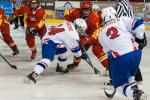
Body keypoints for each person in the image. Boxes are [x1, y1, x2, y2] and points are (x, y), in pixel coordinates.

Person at [99, 7, 147, 99]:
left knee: (119, 86)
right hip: (136, 53)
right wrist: (140, 39)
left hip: (121, 57)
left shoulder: (101, 33)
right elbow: (139, 24)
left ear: (103, 18)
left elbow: (108, 52)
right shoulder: (122, 19)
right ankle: (135, 89)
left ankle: (136, 94)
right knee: (130, 77)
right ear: (115, 14)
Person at [23, 18, 87, 84]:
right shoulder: (73, 35)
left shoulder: (69, 22)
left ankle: (59, 67)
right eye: (81, 29)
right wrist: (81, 55)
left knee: (64, 54)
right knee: (47, 59)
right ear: (77, 26)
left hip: (55, 38)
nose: (82, 32)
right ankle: (33, 74)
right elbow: (76, 51)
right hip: (49, 41)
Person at [64, 0, 109, 73]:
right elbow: (66, 13)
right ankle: (75, 64)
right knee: (79, 50)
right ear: (81, 9)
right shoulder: (76, 11)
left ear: (90, 9)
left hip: (95, 35)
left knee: (96, 49)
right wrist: (71, 23)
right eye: (84, 9)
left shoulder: (94, 18)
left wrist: (87, 39)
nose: (86, 11)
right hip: (83, 34)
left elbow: (96, 33)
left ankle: (108, 67)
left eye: (87, 9)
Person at [116, 0, 143, 84]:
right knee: (130, 53)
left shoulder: (121, 4)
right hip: (131, 31)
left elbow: (118, 19)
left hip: (124, 33)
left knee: (120, 55)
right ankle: (138, 78)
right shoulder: (127, 3)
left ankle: (118, 79)